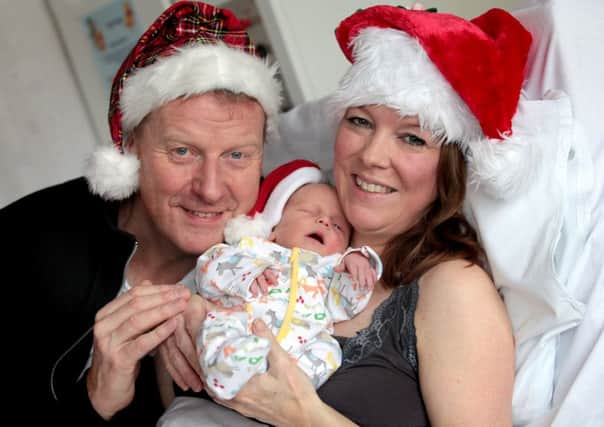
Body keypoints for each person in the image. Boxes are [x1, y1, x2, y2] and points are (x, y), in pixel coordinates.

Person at [159, 5, 541, 427]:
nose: (372, 156)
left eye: (412, 138)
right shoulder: (279, 231)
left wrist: (305, 416)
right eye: (360, 121)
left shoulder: (453, 289)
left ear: (449, 168)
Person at [1, 1, 282, 425]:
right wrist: (95, 398)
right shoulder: (26, 240)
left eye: (237, 155)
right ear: (130, 148)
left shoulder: (275, 268)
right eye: (182, 151)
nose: (209, 188)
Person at [190, 160, 380, 401]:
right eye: (310, 213)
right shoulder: (254, 250)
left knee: (329, 351)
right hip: (245, 327)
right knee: (218, 321)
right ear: (274, 226)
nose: (324, 222)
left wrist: (358, 265)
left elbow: (346, 304)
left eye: (338, 226)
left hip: (296, 351)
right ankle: (228, 367)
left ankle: (295, 387)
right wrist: (247, 272)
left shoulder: (330, 272)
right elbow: (209, 268)